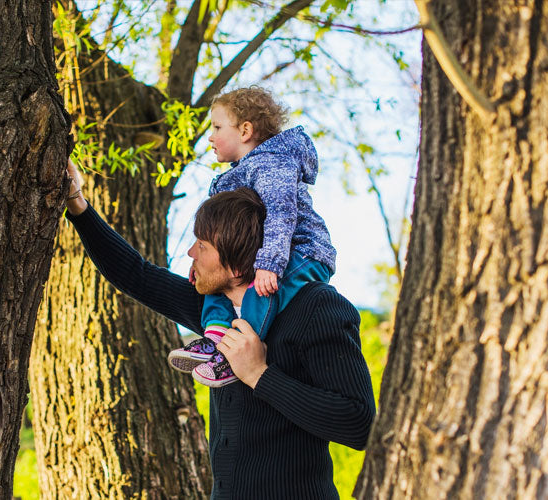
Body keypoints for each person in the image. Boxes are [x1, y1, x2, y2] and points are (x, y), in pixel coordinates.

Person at [64, 161, 375, 499]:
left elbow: (359, 424)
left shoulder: (317, 307)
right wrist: (78, 204)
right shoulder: (216, 309)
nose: (190, 252)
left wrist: (259, 374)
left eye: (203, 246)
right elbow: (136, 275)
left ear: (238, 265)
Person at [167, 86, 337, 388]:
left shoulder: (271, 163)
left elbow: (281, 215)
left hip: (301, 252)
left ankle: (236, 354)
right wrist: (201, 267)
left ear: (245, 130)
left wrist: (269, 264)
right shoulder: (237, 175)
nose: (210, 136)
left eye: (217, 127)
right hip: (264, 256)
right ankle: (216, 337)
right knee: (216, 287)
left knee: (260, 292)